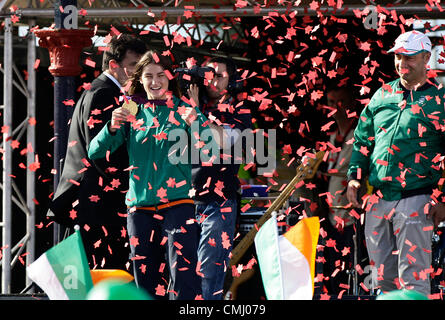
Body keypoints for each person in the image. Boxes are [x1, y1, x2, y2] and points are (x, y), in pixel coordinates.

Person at [88, 50, 208, 300]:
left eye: (160, 76)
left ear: (170, 78)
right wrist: (111, 126)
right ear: (139, 80)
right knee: (145, 282)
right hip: (139, 210)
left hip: (178, 205)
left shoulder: (185, 109)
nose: (155, 82)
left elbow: (211, 151)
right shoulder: (130, 108)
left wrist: (196, 122)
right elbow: (95, 151)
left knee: (184, 279)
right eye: (148, 76)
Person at [346, 30, 445, 296]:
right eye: (398, 57)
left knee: (413, 279)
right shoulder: (382, 94)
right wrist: (355, 177)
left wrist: (443, 199)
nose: (402, 63)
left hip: (417, 198)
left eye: (409, 57)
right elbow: (362, 140)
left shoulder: (440, 98)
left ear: (427, 58)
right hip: (378, 200)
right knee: (381, 279)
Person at [47, 34, 147, 269]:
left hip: (98, 204)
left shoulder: (109, 93)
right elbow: (103, 154)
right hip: (99, 205)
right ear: (114, 65)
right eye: (134, 66)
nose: (140, 73)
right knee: (103, 274)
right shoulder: (103, 94)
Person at [191, 57, 252, 300]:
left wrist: (195, 113)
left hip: (219, 203)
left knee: (209, 271)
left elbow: (222, 142)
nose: (212, 79)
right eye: (208, 74)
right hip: (183, 202)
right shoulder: (192, 105)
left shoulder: (239, 110)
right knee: (185, 272)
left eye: (219, 75)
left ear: (232, 80)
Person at [320, 84, 366, 295]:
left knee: (350, 267)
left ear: (349, 104)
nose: (334, 108)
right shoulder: (332, 137)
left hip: (351, 214)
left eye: (339, 102)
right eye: (330, 103)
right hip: (331, 214)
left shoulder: (359, 134)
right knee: (332, 268)